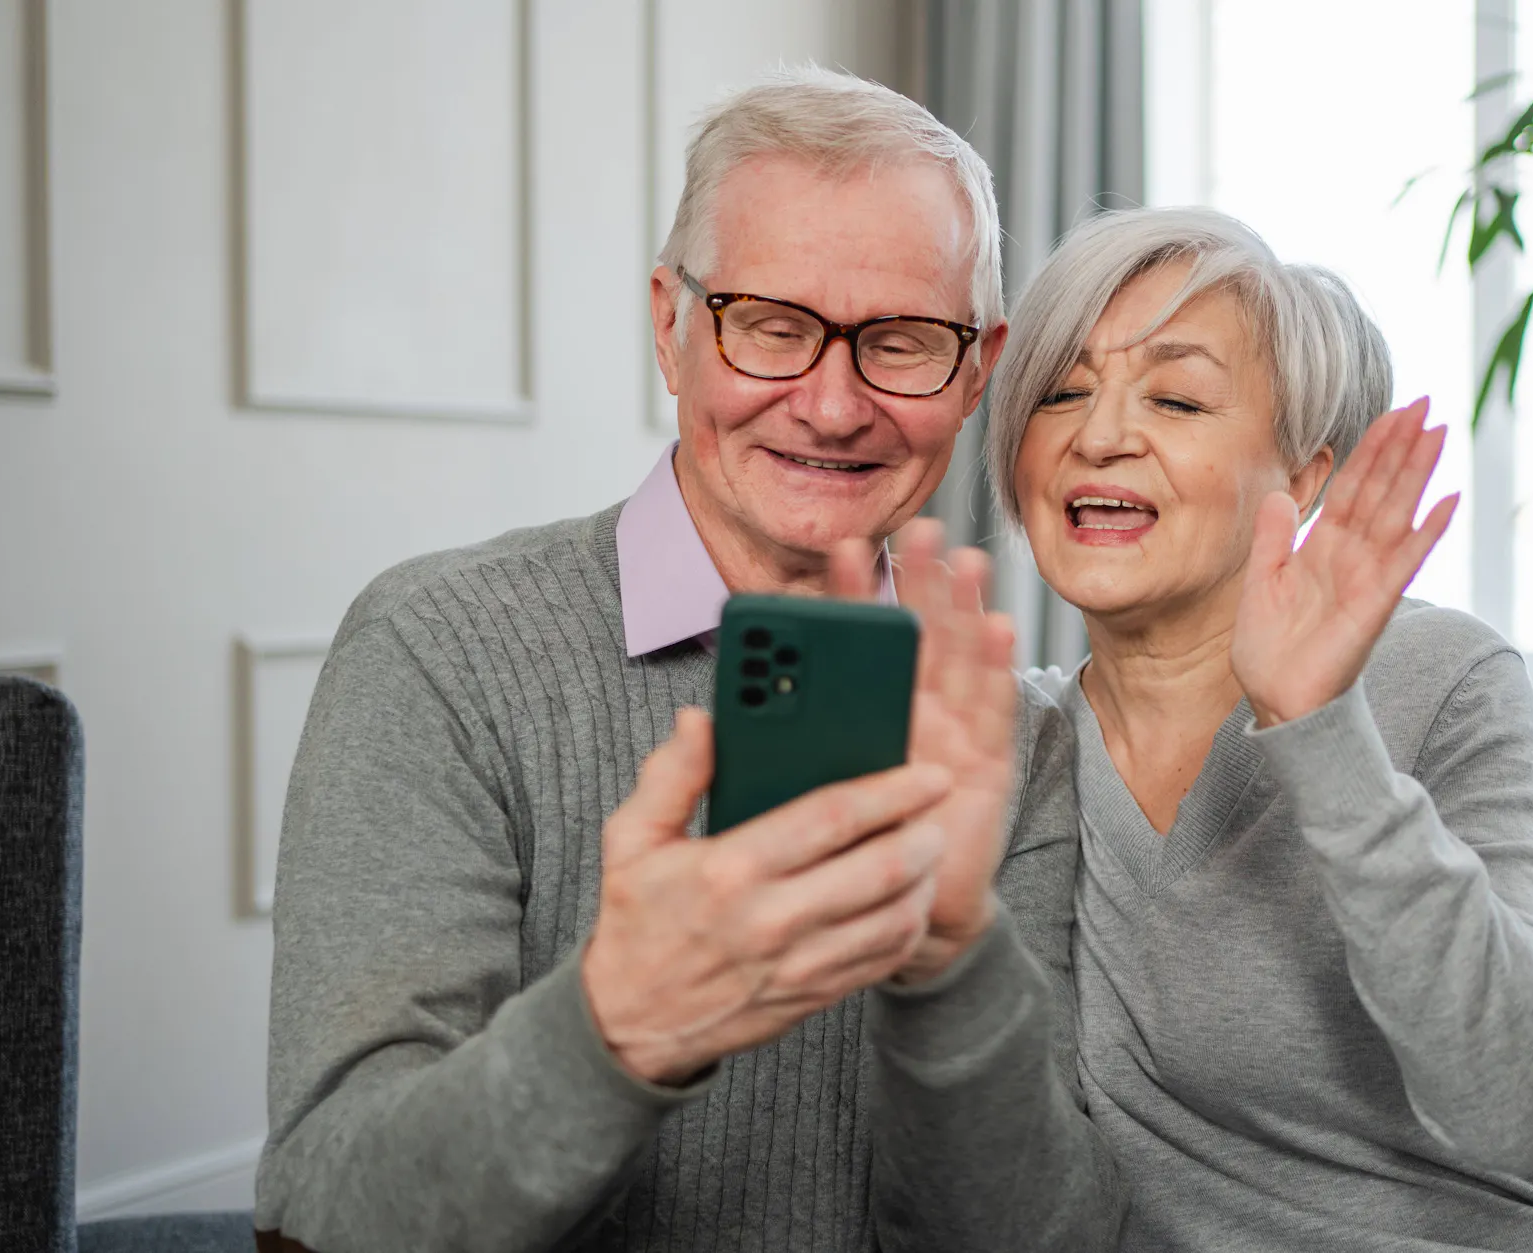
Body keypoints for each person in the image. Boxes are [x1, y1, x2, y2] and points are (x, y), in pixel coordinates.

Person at [254, 69, 1120, 1253]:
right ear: (670, 325)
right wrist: (617, 1024)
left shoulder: (1018, 735)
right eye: (771, 326)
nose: (830, 405)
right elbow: (324, 1211)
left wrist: (946, 957)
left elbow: (1049, 1237)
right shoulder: (439, 651)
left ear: (976, 369)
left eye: (902, 343)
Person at [992, 205, 1533, 1251]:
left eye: (1175, 396)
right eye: (1062, 389)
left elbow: (1523, 1097)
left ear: (1304, 475)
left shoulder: (1438, 676)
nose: (1098, 434)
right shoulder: (1018, 745)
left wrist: (1317, 729)